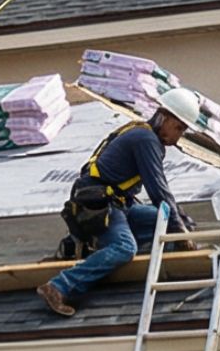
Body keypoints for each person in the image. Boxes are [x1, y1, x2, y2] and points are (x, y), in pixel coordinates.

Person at [39, 86, 199, 317]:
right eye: (178, 127)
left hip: (120, 205)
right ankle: (59, 286)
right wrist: (179, 231)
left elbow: (161, 201)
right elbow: (158, 190)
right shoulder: (145, 139)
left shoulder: (143, 134)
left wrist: (181, 224)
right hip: (100, 205)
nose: (178, 136)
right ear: (163, 117)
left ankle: (89, 247)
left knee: (171, 221)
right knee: (125, 247)